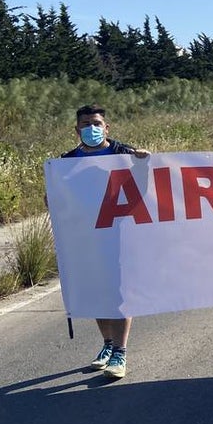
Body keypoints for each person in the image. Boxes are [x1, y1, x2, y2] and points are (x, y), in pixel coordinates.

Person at [60, 104, 150, 379]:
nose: (92, 129)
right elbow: (61, 200)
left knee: (120, 294)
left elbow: (147, 185)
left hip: (120, 234)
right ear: (77, 130)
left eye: (96, 123)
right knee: (98, 294)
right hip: (87, 239)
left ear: (106, 127)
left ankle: (120, 352)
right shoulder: (66, 161)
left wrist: (145, 161)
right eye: (86, 124)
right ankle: (108, 345)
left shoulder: (123, 154)